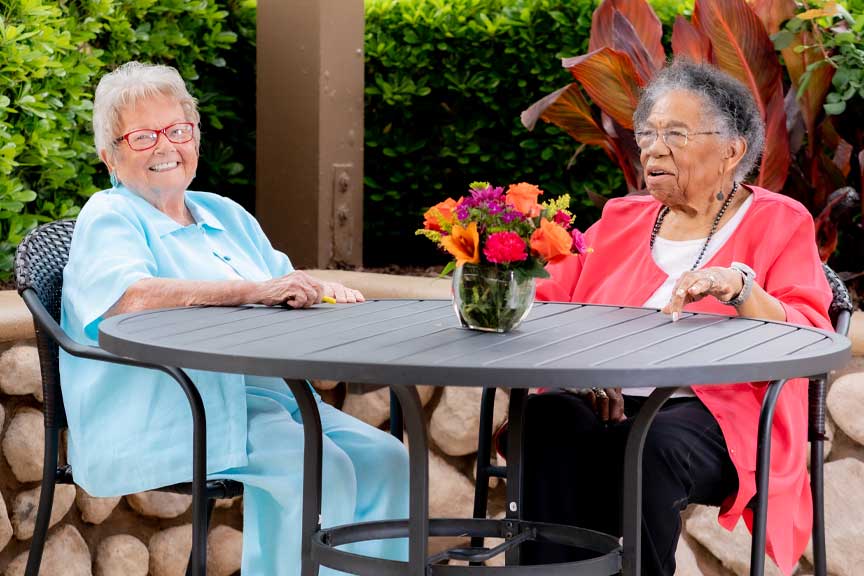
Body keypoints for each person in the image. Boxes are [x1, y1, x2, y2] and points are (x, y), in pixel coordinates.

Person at [60, 61, 409, 576]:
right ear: (109, 154)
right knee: (321, 468)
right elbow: (128, 297)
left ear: (195, 138)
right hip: (178, 408)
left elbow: (285, 285)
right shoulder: (110, 215)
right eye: (142, 136)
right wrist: (253, 291)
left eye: (177, 130)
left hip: (272, 402)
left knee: (388, 459)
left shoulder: (224, 214)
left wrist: (322, 292)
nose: (165, 147)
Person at [520, 61, 832, 575]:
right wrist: (580, 376)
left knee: (653, 444)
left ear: (732, 150)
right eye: (647, 133)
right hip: (606, 404)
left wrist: (741, 288)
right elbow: (550, 306)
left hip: (718, 417)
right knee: (546, 419)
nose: (652, 147)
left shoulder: (778, 220)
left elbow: (809, 334)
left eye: (675, 134)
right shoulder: (621, 218)